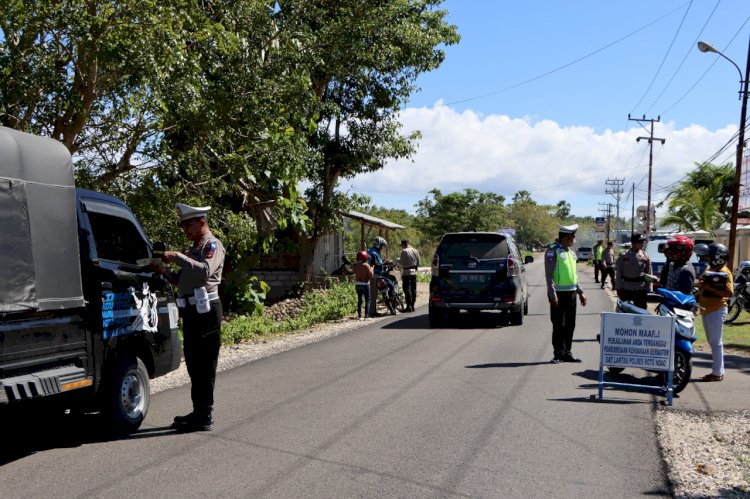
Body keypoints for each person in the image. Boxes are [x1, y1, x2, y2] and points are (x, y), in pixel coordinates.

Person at [159, 203, 226, 432]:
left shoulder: (212, 246)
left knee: (206, 364)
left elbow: (204, 271)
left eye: (188, 225)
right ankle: (198, 411)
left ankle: (205, 415)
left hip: (206, 311)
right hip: (191, 311)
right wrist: (165, 272)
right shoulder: (195, 248)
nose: (185, 230)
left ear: (201, 222)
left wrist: (178, 256)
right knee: (195, 364)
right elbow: (183, 280)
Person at [544, 224, 587, 363]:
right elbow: (549, 275)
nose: (574, 239)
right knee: (558, 325)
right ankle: (558, 353)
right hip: (558, 294)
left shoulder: (571, 252)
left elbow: (574, 276)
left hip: (572, 293)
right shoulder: (552, 251)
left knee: (570, 324)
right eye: (572, 236)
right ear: (565, 237)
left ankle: (567, 352)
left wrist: (580, 292)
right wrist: (552, 294)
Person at [694, 243, 733, 382]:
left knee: (716, 342)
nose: (706, 258)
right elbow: (700, 285)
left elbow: (728, 293)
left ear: (717, 257)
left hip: (716, 309)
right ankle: (718, 371)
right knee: (713, 342)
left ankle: (717, 373)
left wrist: (711, 289)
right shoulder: (709, 269)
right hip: (706, 309)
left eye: (709, 256)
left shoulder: (725, 272)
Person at [615, 233, 652, 310]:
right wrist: (618, 287)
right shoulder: (624, 256)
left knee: (641, 313)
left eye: (642, 242)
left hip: (640, 289)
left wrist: (649, 288)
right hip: (626, 288)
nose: (641, 244)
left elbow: (649, 274)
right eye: (639, 242)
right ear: (633, 243)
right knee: (624, 311)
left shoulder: (645, 256)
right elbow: (618, 273)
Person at [367, 236, 388, 316]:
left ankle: (373, 311)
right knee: (373, 294)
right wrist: (383, 263)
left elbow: (379, 262)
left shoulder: (376, 252)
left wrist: (384, 262)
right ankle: (372, 312)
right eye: (381, 246)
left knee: (375, 294)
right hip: (374, 275)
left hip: (378, 275)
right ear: (378, 245)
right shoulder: (373, 252)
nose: (382, 248)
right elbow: (375, 263)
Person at [398, 239, 420, 312]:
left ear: (404, 244)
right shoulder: (415, 250)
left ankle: (409, 305)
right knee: (413, 289)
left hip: (407, 272)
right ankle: (413, 305)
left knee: (407, 289)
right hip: (414, 272)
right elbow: (418, 261)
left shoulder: (404, 251)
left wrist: (398, 260)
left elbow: (401, 263)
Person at [353, 250, 373, 320]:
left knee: (359, 300)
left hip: (358, 284)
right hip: (365, 284)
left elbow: (354, 272)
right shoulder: (366, 265)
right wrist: (371, 270)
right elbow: (370, 275)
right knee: (367, 300)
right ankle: (366, 316)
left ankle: (359, 316)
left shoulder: (355, 265)